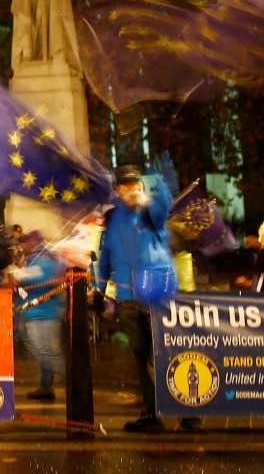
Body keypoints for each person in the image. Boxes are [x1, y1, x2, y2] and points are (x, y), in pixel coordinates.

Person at [98, 165, 202, 434]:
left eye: (136, 183)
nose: (132, 187)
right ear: (117, 190)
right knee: (141, 355)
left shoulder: (151, 211)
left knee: (168, 355)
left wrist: (158, 183)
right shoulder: (111, 219)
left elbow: (164, 208)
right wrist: (99, 289)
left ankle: (189, 414)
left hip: (159, 293)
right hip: (127, 297)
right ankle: (151, 414)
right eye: (126, 184)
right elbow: (105, 256)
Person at [9, 230, 65, 401]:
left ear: (31, 244)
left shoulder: (43, 260)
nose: (22, 248)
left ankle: (74, 381)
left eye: (24, 244)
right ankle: (46, 386)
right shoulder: (38, 258)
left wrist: (19, 276)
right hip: (37, 312)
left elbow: (38, 278)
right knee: (45, 351)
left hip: (44, 314)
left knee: (47, 352)